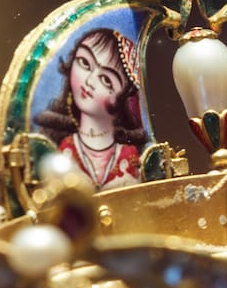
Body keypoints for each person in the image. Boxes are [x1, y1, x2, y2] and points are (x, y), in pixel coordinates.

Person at [33, 28, 146, 188]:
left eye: (106, 79)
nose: (89, 81)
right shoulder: (64, 149)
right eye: (85, 63)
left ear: (123, 97)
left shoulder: (130, 156)